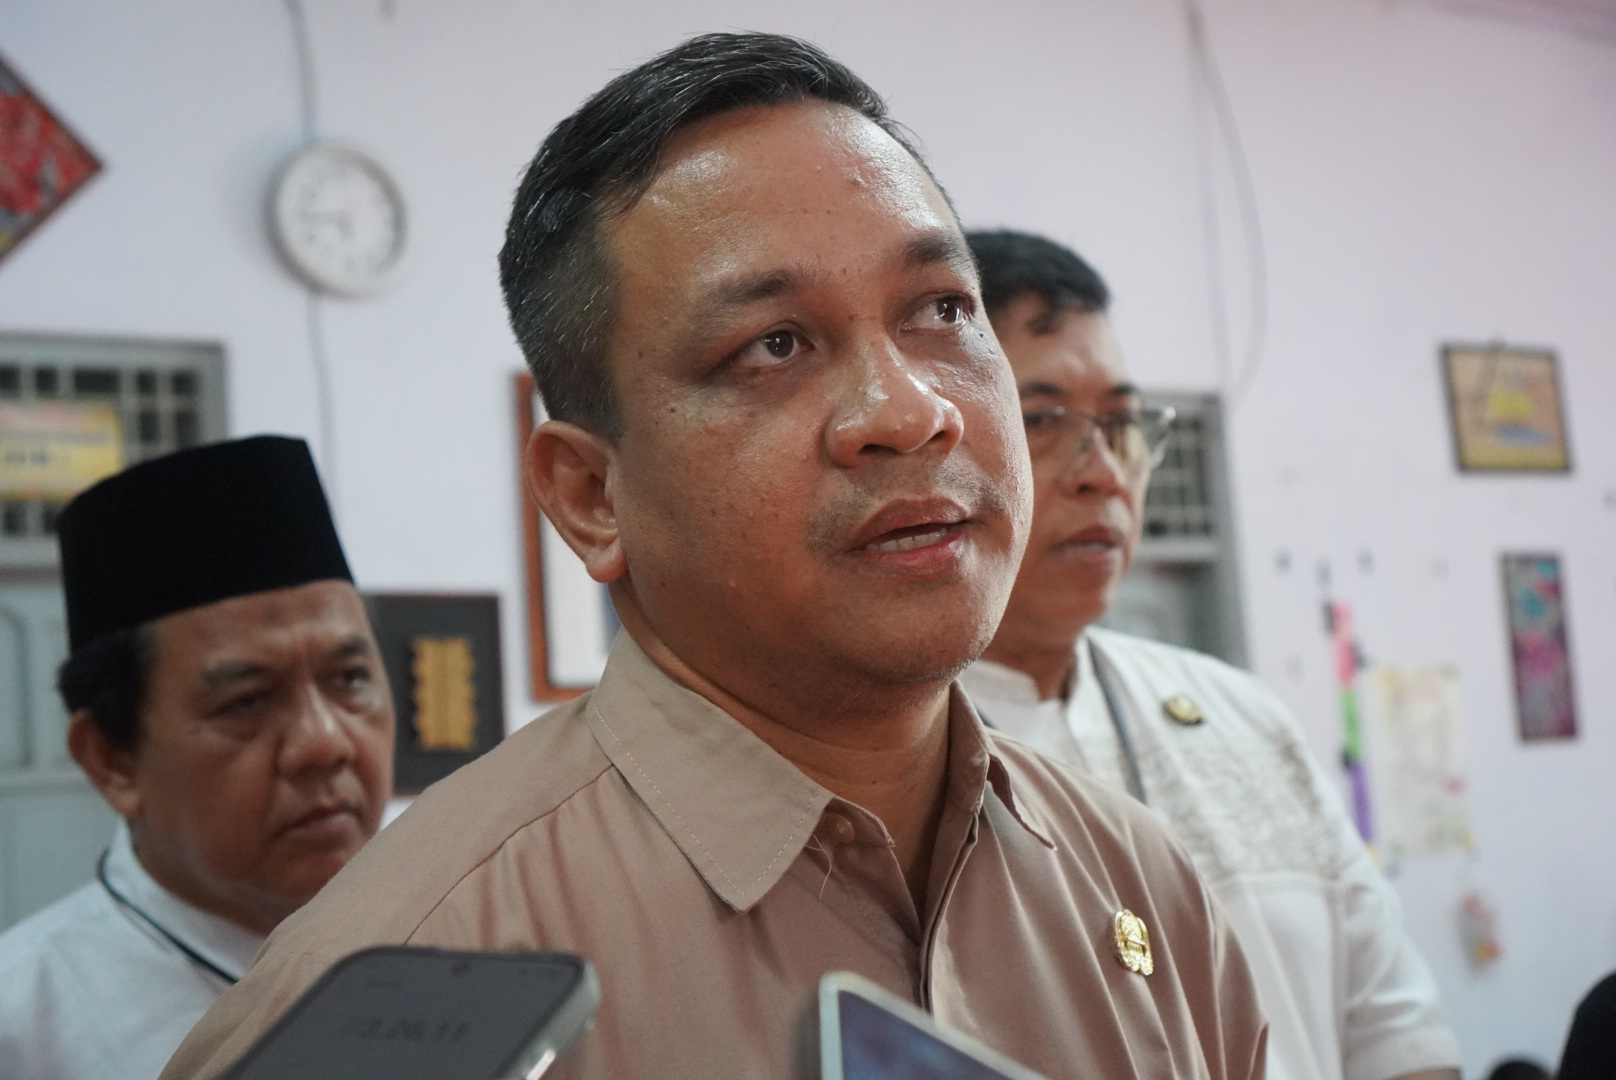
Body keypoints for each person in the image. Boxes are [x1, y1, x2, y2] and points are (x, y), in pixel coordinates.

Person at [161, 34, 1267, 1080]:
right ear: (589, 496)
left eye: (939, 309)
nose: (907, 411)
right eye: (773, 345)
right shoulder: (414, 982)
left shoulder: (1141, 888)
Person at [957, 229, 1462, 1080]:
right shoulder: (893, 758)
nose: (1102, 471)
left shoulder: (1245, 717)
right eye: (1042, 419)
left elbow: (1395, 1034)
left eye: (1122, 423)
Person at [0, 435, 396, 1080]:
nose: (325, 743)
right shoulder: (24, 1026)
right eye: (247, 701)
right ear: (111, 758)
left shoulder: (464, 934)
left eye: (349, 679)